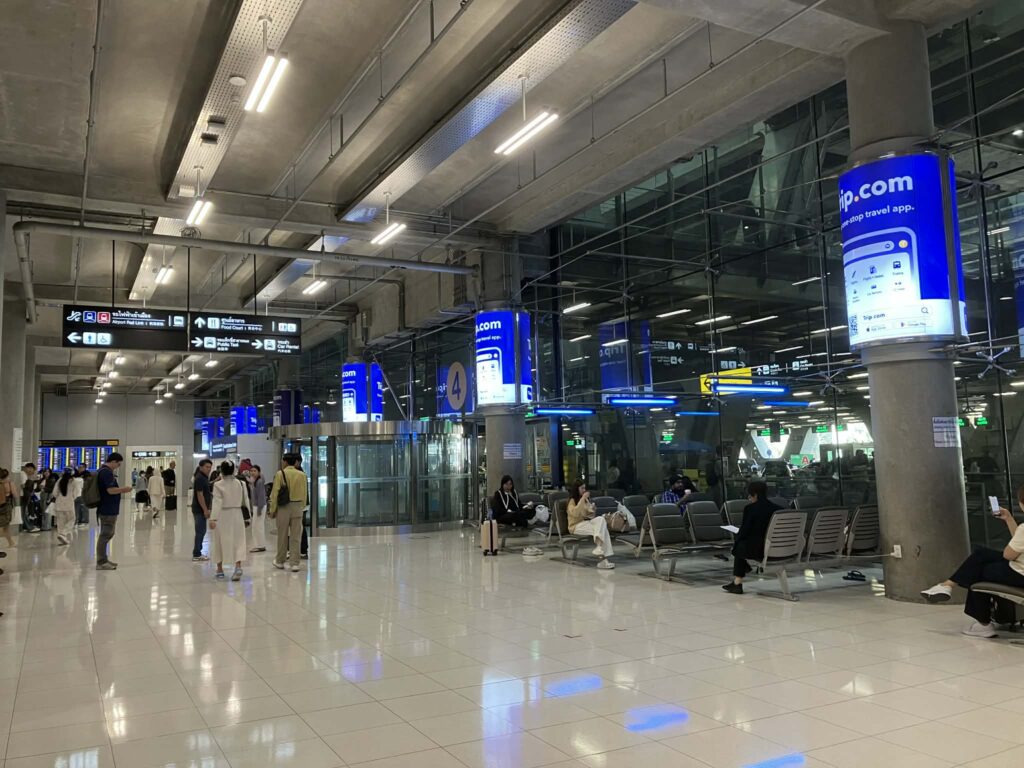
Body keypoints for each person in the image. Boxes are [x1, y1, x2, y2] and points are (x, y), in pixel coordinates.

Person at [921, 488, 1024, 637]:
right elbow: (1020, 542)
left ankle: (983, 624)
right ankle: (947, 585)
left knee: (977, 571)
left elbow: (1009, 554)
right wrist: (1008, 518)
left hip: (1019, 573)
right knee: (981, 555)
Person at [723, 480, 782, 595]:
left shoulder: (750, 509)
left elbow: (745, 531)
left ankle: (738, 582)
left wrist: (737, 537)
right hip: (776, 546)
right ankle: (737, 581)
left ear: (754, 494)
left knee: (739, 545)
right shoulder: (777, 509)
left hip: (760, 550)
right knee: (741, 545)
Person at [209, 461, 248, 581]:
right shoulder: (241, 483)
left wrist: (213, 518)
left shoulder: (218, 485)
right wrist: (248, 518)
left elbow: (217, 502)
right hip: (237, 514)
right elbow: (246, 501)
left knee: (219, 541)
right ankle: (238, 567)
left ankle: (220, 569)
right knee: (239, 540)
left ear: (221, 471)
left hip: (223, 515)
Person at [270, 453, 308, 572]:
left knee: (282, 535)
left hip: (284, 507)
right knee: (296, 535)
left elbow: (275, 494)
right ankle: (295, 563)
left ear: (286, 462)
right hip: (297, 506)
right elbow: (304, 493)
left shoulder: (280, 474)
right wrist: (301, 506)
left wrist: (272, 510)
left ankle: (280, 561)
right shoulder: (302, 475)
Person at [567, 480, 615, 570]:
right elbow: (575, 513)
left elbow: (590, 516)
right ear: (576, 489)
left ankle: (599, 547)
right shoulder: (572, 501)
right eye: (582, 488)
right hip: (575, 526)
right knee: (602, 529)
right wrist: (582, 499)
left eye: (585, 488)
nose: (584, 490)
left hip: (584, 523)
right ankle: (603, 561)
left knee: (601, 520)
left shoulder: (585, 500)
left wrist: (593, 509)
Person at [95, 453, 132, 570]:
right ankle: (101, 562)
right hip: (107, 509)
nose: (118, 466)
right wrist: (124, 490)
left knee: (107, 534)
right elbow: (110, 490)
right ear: (113, 461)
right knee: (105, 535)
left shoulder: (102, 471)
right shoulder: (106, 473)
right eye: (118, 464)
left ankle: (103, 560)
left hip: (107, 508)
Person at [191, 459, 213, 562]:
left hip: (200, 509)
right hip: (199, 509)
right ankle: (197, 553)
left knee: (202, 531)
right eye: (206, 467)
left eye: (210, 467)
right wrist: (205, 509)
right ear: (201, 467)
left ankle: (197, 552)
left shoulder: (203, 477)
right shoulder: (200, 478)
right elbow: (200, 495)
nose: (209, 469)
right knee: (200, 531)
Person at [53, 467, 81, 545]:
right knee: (72, 519)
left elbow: (55, 493)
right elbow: (76, 493)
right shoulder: (74, 481)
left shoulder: (59, 480)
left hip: (59, 503)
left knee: (60, 521)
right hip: (69, 504)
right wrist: (72, 497)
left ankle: (61, 535)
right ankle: (63, 534)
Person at [247, 465, 268, 553]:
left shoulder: (259, 482)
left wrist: (259, 509)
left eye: (255, 471)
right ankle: (260, 545)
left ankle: (259, 545)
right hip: (257, 506)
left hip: (260, 506)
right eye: (251, 471)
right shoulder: (255, 481)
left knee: (257, 527)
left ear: (259, 472)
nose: (252, 472)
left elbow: (261, 496)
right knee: (257, 526)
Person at [20, 463, 40, 532]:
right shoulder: (23, 474)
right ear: (29, 468)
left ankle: (25, 527)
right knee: (22, 513)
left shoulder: (23, 474)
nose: (32, 472)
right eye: (32, 470)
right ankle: (27, 527)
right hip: (22, 496)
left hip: (23, 496)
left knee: (23, 512)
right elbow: (23, 486)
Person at [0, 468, 17, 548]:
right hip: (7, 505)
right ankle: (11, 542)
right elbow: (15, 495)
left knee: (4, 528)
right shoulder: (10, 483)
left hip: (4, 506)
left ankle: (11, 542)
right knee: (5, 528)